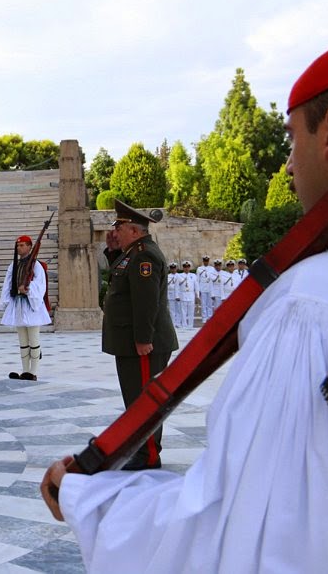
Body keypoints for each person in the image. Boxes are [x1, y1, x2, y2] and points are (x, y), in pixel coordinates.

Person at [41, 31, 328, 573]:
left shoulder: (315, 303)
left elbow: (237, 532)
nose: (288, 167)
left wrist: (91, 501)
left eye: (291, 140)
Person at [100, 200, 179, 470]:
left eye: (118, 227)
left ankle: (148, 455)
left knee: (143, 400)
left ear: (134, 230)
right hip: (131, 342)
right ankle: (140, 448)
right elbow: (120, 278)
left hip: (144, 344)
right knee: (135, 399)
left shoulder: (144, 255)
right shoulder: (132, 252)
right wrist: (112, 251)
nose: (115, 232)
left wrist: (144, 339)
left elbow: (146, 302)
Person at [0, 234, 51, 380]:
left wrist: (27, 288)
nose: (19, 248)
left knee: (33, 339)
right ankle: (25, 370)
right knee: (22, 340)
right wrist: (11, 295)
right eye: (18, 245)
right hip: (19, 305)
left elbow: (40, 285)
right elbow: (8, 283)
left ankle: (33, 372)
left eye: (22, 245)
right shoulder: (14, 265)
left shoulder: (36, 265)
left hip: (31, 306)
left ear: (29, 246)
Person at [196, 255, 215, 322]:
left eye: (207, 261)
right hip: (202, 288)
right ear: (203, 261)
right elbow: (197, 280)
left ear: (208, 261)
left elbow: (213, 279)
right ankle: (204, 318)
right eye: (205, 261)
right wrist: (198, 291)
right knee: (203, 304)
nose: (206, 262)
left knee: (210, 304)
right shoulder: (199, 269)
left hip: (210, 288)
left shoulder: (212, 269)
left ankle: (210, 317)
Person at [178, 261, 196, 328]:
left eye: (188, 267)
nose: (186, 268)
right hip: (183, 294)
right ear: (183, 268)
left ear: (189, 268)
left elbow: (196, 286)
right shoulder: (179, 276)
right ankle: (184, 325)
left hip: (191, 294)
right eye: (185, 267)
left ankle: (190, 325)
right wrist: (177, 295)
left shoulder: (193, 276)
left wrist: (197, 295)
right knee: (183, 311)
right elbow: (177, 286)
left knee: (191, 311)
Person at [166, 262, 180, 327]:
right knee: (172, 310)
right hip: (171, 294)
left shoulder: (180, 276)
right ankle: (173, 324)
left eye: (174, 268)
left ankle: (178, 323)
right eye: (172, 268)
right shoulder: (168, 276)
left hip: (179, 294)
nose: (173, 270)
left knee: (178, 309)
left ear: (176, 268)